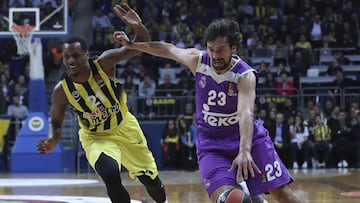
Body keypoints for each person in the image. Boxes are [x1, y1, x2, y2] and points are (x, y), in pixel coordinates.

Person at [114, 18, 304, 203]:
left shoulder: (244, 75)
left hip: (249, 140)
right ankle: (252, 197)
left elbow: (245, 113)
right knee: (228, 199)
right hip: (212, 144)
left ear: (234, 48)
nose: (214, 56)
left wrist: (244, 150)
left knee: (282, 195)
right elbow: (166, 49)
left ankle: (255, 195)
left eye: (220, 50)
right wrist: (133, 45)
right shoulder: (198, 61)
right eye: (211, 49)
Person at [36, 4, 167, 203]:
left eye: (76, 56)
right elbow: (55, 122)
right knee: (110, 174)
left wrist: (138, 26)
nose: (71, 60)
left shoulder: (105, 63)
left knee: (150, 180)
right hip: (95, 137)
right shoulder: (61, 90)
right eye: (67, 57)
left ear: (87, 55)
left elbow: (142, 45)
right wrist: (53, 140)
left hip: (125, 127)